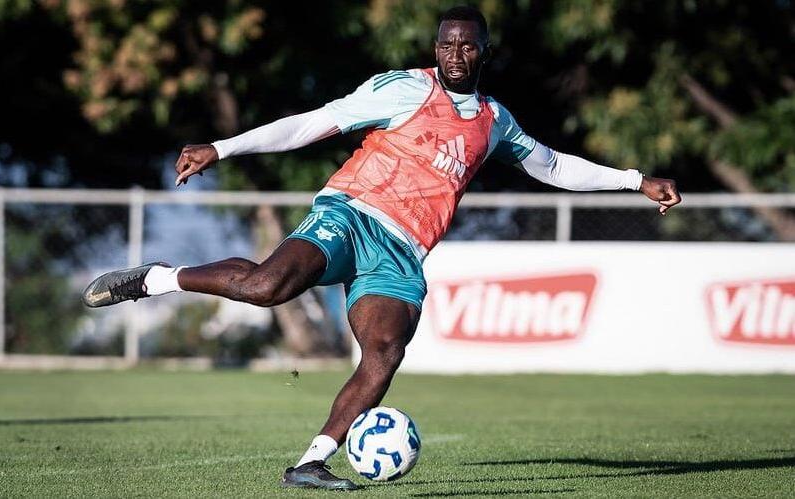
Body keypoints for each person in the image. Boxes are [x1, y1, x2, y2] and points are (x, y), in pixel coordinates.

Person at [82, 5, 681, 490]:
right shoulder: (403, 90)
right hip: (352, 212)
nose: (454, 55)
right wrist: (223, 145)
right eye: (446, 45)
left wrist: (634, 180)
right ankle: (158, 278)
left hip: (402, 250)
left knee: (384, 350)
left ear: (484, 52)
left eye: (467, 46)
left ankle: (311, 462)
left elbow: (553, 166)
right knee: (268, 287)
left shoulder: (495, 120)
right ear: (435, 48)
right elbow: (313, 123)